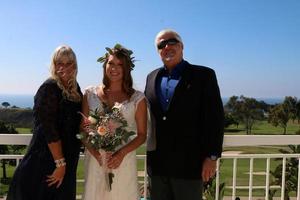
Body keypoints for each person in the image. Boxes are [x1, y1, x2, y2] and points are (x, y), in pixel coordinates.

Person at [144, 29, 224, 200]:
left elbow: (215, 119)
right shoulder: (151, 77)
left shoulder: (204, 75)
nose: (167, 47)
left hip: (190, 166)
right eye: (161, 45)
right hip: (158, 166)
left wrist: (212, 156)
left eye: (171, 42)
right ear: (158, 51)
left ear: (181, 46)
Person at [7, 45, 83, 200]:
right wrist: (60, 164)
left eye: (68, 63)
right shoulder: (49, 87)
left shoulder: (75, 88)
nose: (64, 67)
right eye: (59, 63)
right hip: (48, 161)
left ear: (75, 65)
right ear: (54, 65)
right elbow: (48, 129)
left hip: (68, 157)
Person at [81, 44, 147, 200]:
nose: (114, 68)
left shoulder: (137, 98)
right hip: (96, 160)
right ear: (105, 65)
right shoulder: (89, 94)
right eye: (111, 63)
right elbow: (83, 129)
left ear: (127, 69)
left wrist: (120, 154)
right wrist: (96, 154)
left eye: (120, 65)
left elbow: (142, 135)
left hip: (122, 161)